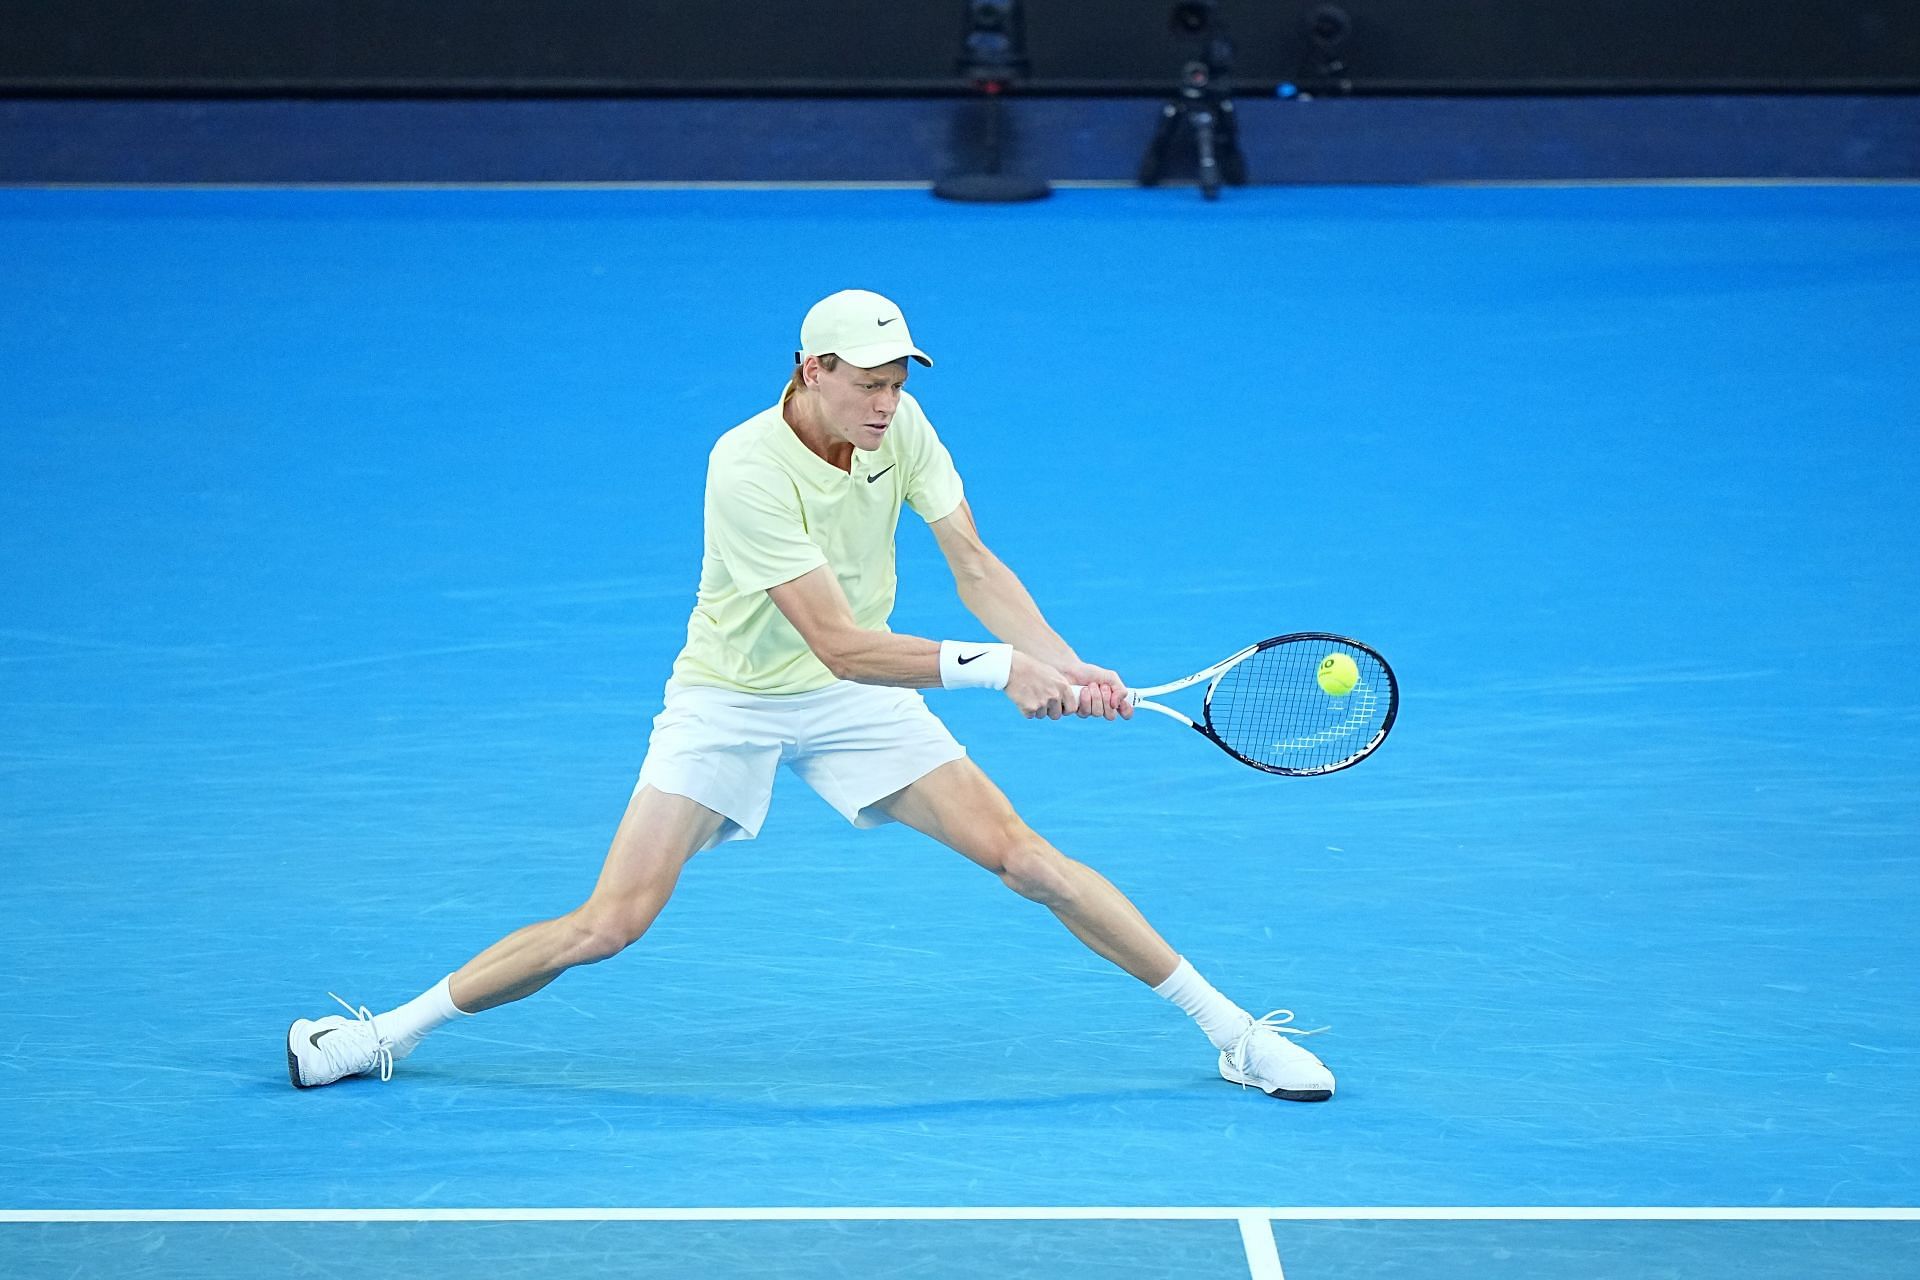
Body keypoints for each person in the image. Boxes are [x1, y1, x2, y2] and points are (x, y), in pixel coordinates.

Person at [286, 290, 1334, 1102]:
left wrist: (1059, 658)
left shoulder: (903, 428)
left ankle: (1233, 1032)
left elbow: (971, 562)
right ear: (812, 369)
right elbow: (836, 642)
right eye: (868, 383)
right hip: (734, 698)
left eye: (898, 381)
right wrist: (998, 670)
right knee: (608, 925)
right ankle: (381, 1033)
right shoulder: (745, 467)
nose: (887, 402)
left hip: (863, 699)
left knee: (1031, 861)